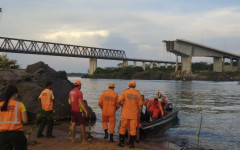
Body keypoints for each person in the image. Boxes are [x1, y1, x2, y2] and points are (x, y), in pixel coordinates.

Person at [0, 85, 28, 150]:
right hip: (17, 134)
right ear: (15, 94)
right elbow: (25, 120)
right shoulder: (20, 104)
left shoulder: (0, 105)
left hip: (2, 135)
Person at [118, 80, 142, 148]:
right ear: (135, 86)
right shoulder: (138, 93)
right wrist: (139, 113)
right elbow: (140, 106)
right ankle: (131, 144)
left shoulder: (125, 92)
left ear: (129, 85)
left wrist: (122, 105)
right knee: (133, 129)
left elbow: (119, 101)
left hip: (125, 114)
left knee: (122, 127)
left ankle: (121, 143)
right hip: (134, 115)